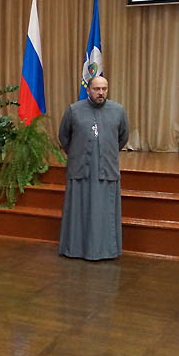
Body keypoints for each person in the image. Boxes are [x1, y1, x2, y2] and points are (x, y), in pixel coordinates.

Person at [58, 76, 129, 261]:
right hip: (80, 169)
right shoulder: (74, 110)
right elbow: (64, 137)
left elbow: (122, 138)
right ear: (88, 90)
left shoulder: (118, 111)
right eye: (97, 89)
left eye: (104, 89)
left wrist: (105, 151)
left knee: (103, 212)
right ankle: (74, 249)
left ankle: (106, 250)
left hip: (106, 169)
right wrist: (78, 153)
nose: (101, 93)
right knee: (78, 212)